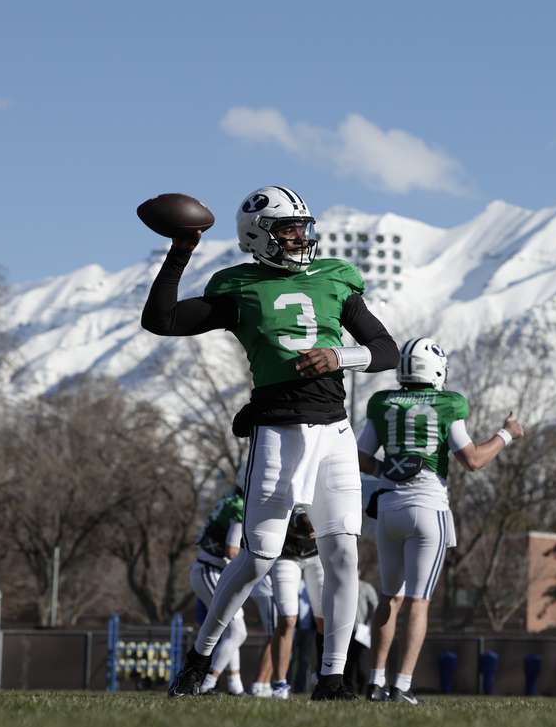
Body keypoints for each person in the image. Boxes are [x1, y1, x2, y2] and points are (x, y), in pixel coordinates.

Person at [142, 185, 399, 700]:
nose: (301, 236)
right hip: (278, 432)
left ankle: (331, 678)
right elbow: (161, 320)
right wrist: (181, 250)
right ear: (259, 235)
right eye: (289, 228)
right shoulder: (238, 286)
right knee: (258, 556)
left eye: (303, 226)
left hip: (335, 433)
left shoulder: (335, 278)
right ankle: (199, 659)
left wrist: (340, 358)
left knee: (342, 555)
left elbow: (385, 349)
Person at [357, 337, 524, 704]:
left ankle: (374, 682)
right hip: (427, 506)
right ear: (434, 369)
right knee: (418, 602)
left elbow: (361, 457)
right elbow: (473, 460)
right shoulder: (448, 402)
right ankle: (401, 685)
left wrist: (392, 467)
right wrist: (506, 434)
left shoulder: (383, 402)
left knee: (389, 599)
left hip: (388, 508)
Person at [189, 486, 248, 695]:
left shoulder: (232, 499)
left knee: (231, 631)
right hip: (211, 571)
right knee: (237, 631)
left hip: (212, 570)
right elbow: (232, 551)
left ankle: (234, 685)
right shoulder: (240, 506)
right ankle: (206, 682)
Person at [263, 507, 325, 699]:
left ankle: (326, 677)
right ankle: (280, 683)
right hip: (286, 552)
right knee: (288, 619)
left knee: (325, 619)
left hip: (316, 553)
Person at [344, 578, 379, 693]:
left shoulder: (366, 587)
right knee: (347, 662)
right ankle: (348, 688)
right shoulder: (343, 586)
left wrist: (370, 623)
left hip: (362, 630)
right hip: (346, 630)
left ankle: (363, 689)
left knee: (361, 662)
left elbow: (375, 605)